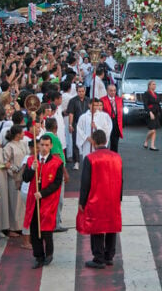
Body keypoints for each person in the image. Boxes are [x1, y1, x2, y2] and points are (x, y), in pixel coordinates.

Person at [77, 130, 123, 269]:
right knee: (111, 226)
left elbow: (85, 182)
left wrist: (82, 202)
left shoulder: (90, 158)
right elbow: (121, 179)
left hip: (96, 198)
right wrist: (119, 197)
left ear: (94, 141)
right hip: (113, 197)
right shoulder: (116, 157)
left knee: (96, 227)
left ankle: (98, 257)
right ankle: (109, 256)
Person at [22, 134, 64, 268]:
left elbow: (57, 183)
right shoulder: (31, 161)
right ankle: (38, 256)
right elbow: (26, 178)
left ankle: (49, 254)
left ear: (51, 146)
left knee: (46, 230)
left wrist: (43, 193)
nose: (44, 148)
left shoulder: (57, 163)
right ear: (38, 145)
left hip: (48, 201)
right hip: (34, 200)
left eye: (47, 145)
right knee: (35, 230)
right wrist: (32, 169)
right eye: (42, 145)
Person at [3, 125, 29, 236]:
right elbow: (6, 162)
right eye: (22, 133)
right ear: (17, 134)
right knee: (15, 203)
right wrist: (14, 169)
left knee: (23, 203)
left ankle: (22, 226)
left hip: (24, 176)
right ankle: (13, 228)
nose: (24, 134)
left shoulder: (23, 144)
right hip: (14, 177)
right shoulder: (9, 146)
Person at [45, 117, 69, 233]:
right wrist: (65, 172)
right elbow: (57, 156)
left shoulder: (44, 136)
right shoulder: (53, 138)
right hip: (57, 171)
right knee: (58, 199)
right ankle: (55, 223)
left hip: (49, 171)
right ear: (56, 126)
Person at [67, 84, 90, 170]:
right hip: (76, 124)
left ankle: (87, 160)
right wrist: (70, 124)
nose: (81, 93)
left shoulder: (89, 100)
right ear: (77, 92)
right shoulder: (73, 101)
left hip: (87, 124)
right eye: (79, 91)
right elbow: (71, 113)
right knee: (76, 143)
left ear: (85, 91)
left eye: (82, 91)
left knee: (87, 142)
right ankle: (76, 162)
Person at [142, 80, 162, 151]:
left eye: (155, 84)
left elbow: (158, 105)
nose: (154, 86)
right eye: (153, 84)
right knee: (152, 130)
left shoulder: (156, 94)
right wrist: (150, 112)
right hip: (149, 113)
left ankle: (152, 145)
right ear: (149, 85)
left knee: (154, 130)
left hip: (156, 113)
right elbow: (145, 105)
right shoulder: (146, 94)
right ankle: (146, 141)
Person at [101, 84, 123, 153]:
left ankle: (114, 157)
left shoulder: (119, 99)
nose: (113, 92)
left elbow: (121, 112)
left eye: (114, 90)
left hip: (116, 122)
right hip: (106, 122)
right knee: (105, 141)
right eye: (111, 91)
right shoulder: (102, 100)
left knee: (115, 142)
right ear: (107, 91)